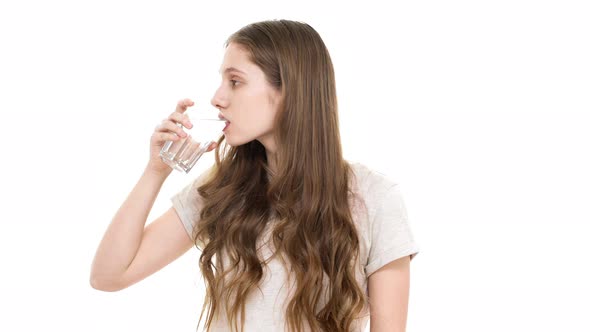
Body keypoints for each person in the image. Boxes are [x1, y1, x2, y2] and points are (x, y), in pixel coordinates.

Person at [90, 19, 420, 332]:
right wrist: (156, 171)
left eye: (235, 81)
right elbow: (109, 275)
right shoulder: (222, 189)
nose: (218, 98)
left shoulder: (374, 197)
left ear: (290, 90)